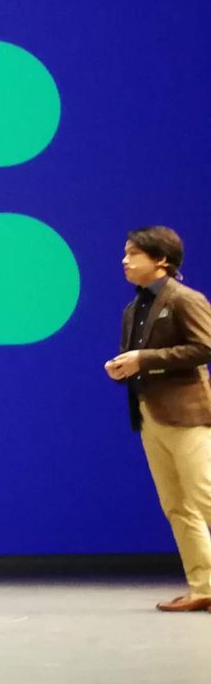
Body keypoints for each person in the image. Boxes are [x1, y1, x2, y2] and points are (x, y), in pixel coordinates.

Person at [105, 226, 211, 611]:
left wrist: (144, 360)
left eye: (133, 253)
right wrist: (123, 367)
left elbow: (204, 347)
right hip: (150, 415)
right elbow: (137, 360)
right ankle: (203, 587)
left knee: (205, 496)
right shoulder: (133, 309)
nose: (125, 261)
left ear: (161, 260)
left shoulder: (185, 299)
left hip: (187, 414)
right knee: (177, 506)